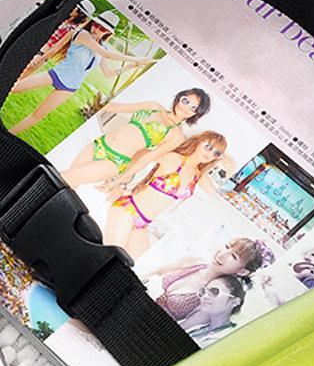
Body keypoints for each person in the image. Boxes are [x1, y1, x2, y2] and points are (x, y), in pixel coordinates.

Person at [0, 10, 155, 134]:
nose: (97, 29)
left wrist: (131, 67)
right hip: (55, 75)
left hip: (70, 87)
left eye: (102, 29)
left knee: (38, 115)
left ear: (108, 32)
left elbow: (108, 73)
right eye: (96, 25)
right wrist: (138, 59)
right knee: (11, 88)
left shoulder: (102, 47)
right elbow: (106, 54)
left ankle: (8, 134)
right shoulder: (83, 35)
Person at [104, 131, 228, 258]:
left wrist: (224, 160)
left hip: (143, 223)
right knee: (111, 257)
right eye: (208, 146)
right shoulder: (174, 158)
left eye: (216, 153)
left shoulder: (198, 175)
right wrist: (119, 183)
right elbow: (140, 156)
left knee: (136, 264)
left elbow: (216, 196)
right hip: (128, 210)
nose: (210, 154)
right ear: (198, 141)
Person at [60, 88, 212, 190]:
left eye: (194, 108)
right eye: (186, 101)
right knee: (70, 184)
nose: (186, 107)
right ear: (179, 98)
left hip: (114, 161)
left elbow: (146, 158)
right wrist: (95, 101)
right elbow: (117, 107)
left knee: (64, 178)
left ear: (196, 114)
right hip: (99, 144)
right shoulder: (153, 106)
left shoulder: (176, 135)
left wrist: (118, 181)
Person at [141, 237, 275, 297]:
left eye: (233, 256)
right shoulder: (194, 261)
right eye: (227, 247)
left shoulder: (219, 295)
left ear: (242, 271)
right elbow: (157, 271)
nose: (222, 254)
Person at [159, 274, 247, 337]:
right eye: (203, 291)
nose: (205, 296)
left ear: (235, 302)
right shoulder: (198, 328)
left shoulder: (230, 335)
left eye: (214, 291)